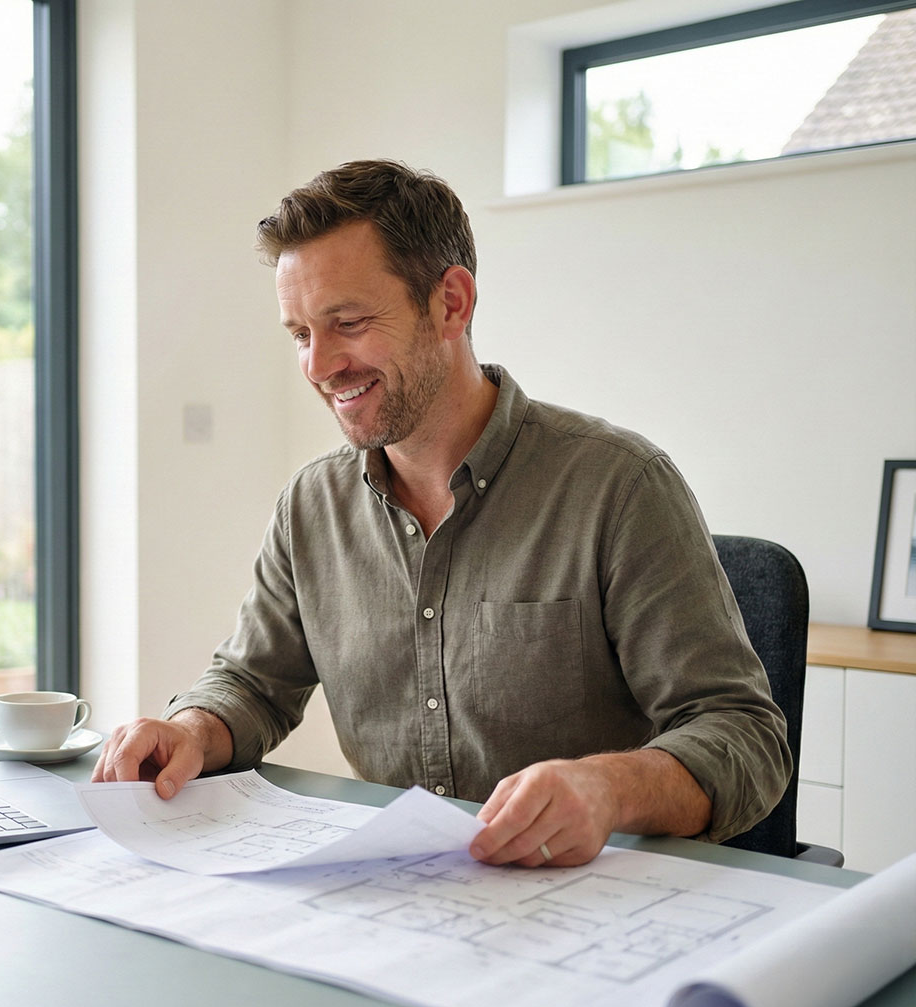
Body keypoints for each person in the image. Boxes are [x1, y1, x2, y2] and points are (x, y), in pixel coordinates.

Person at [92, 159, 790, 868]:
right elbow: (250, 684)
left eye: (350, 322)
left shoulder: (621, 487)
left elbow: (744, 734)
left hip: (589, 902)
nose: (318, 365)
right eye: (301, 334)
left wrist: (607, 787)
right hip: (401, 900)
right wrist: (191, 728)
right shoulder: (312, 507)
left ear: (452, 303)